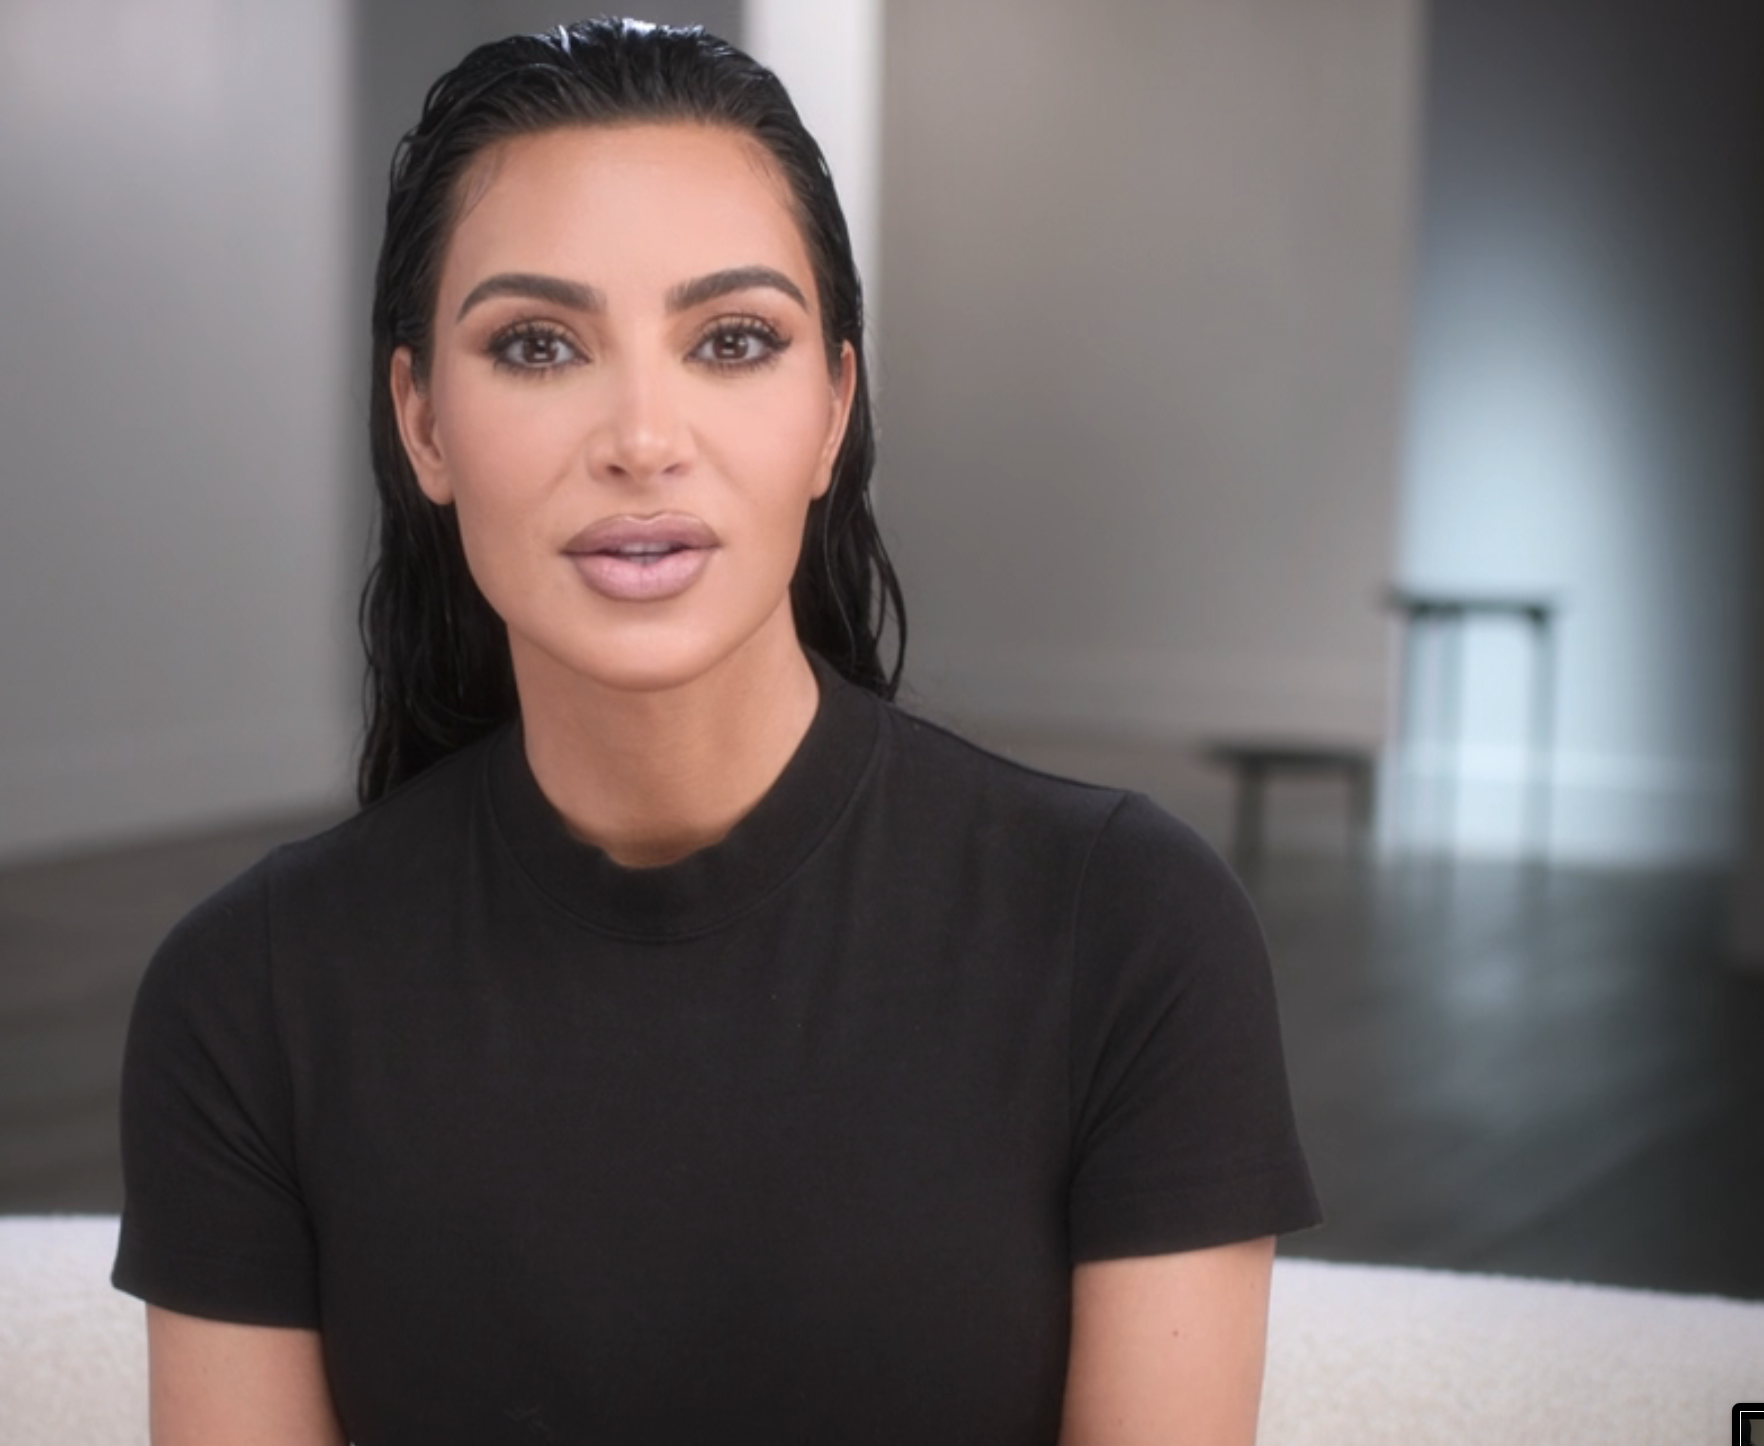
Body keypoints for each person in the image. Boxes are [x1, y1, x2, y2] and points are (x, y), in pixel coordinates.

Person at [113, 17, 1319, 1445]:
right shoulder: (246, 998)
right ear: (420, 421)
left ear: (831, 411)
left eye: (731, 339)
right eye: (538, 344)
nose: (641, 435)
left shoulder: (1126, 930)